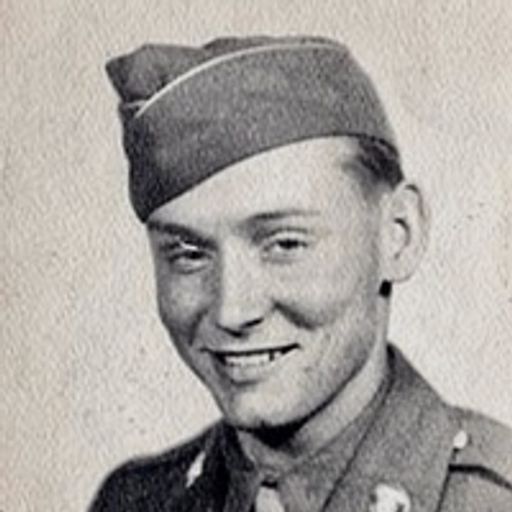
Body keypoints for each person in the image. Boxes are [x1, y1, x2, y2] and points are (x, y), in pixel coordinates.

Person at [90, 36, 512, 511]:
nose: (232, 311)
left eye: (285, 244)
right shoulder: (136, 502)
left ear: (399, 233)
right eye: (188, 254)